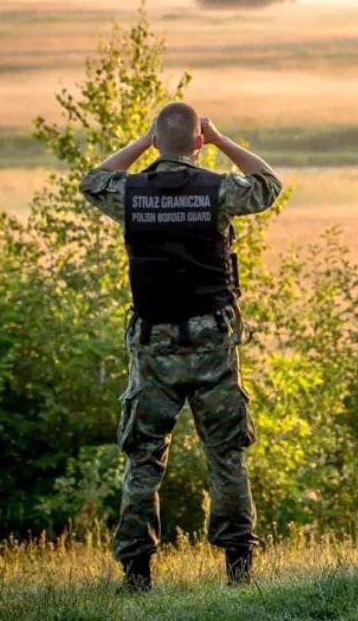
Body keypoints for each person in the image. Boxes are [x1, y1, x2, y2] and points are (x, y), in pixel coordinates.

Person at [79, 102, 282, 592]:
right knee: (226, 455)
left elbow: (92, 181)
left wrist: (144, 142)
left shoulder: (130, 194)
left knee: (143, 458)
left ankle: (136, 573)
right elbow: (268, 184)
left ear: (156, 138)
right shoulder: (217, 191)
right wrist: (219, 138)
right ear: (196, 142)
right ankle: (238, 567)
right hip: (212, 342)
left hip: (153, 346)